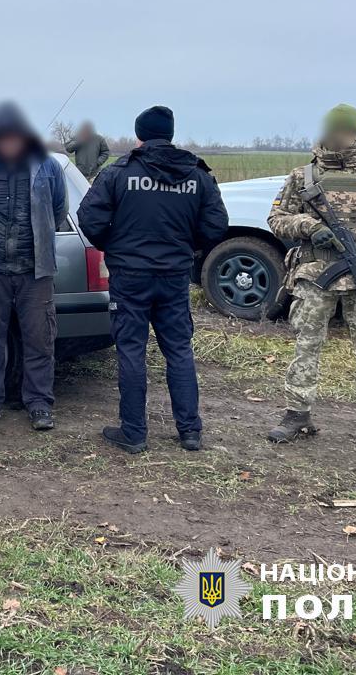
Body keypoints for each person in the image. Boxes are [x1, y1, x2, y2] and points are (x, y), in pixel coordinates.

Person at [266, 104, 356, 459]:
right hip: (315, 277)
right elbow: (277, 218)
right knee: (305, 347)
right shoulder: (303, 177)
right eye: (334, 132)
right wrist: (310, 227)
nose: (338, 139)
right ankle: (296, 413)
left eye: (345, 132)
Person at [77, 105, 228, 454]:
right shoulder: (198, 176)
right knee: (179, 349)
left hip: (129, 276)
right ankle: (190, 431)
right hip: (174, 276)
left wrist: (114, 246)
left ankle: (133, 432)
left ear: (139, 135)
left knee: (131, 349)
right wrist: (187, 249)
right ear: (171, 134)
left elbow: (90, 218)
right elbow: (216, 226)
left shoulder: (119, 173)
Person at [0, 101, 68, 431]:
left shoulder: (48, 167)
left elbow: (59, 213)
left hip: (35, 270)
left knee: (39, 341)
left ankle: (38, 404)